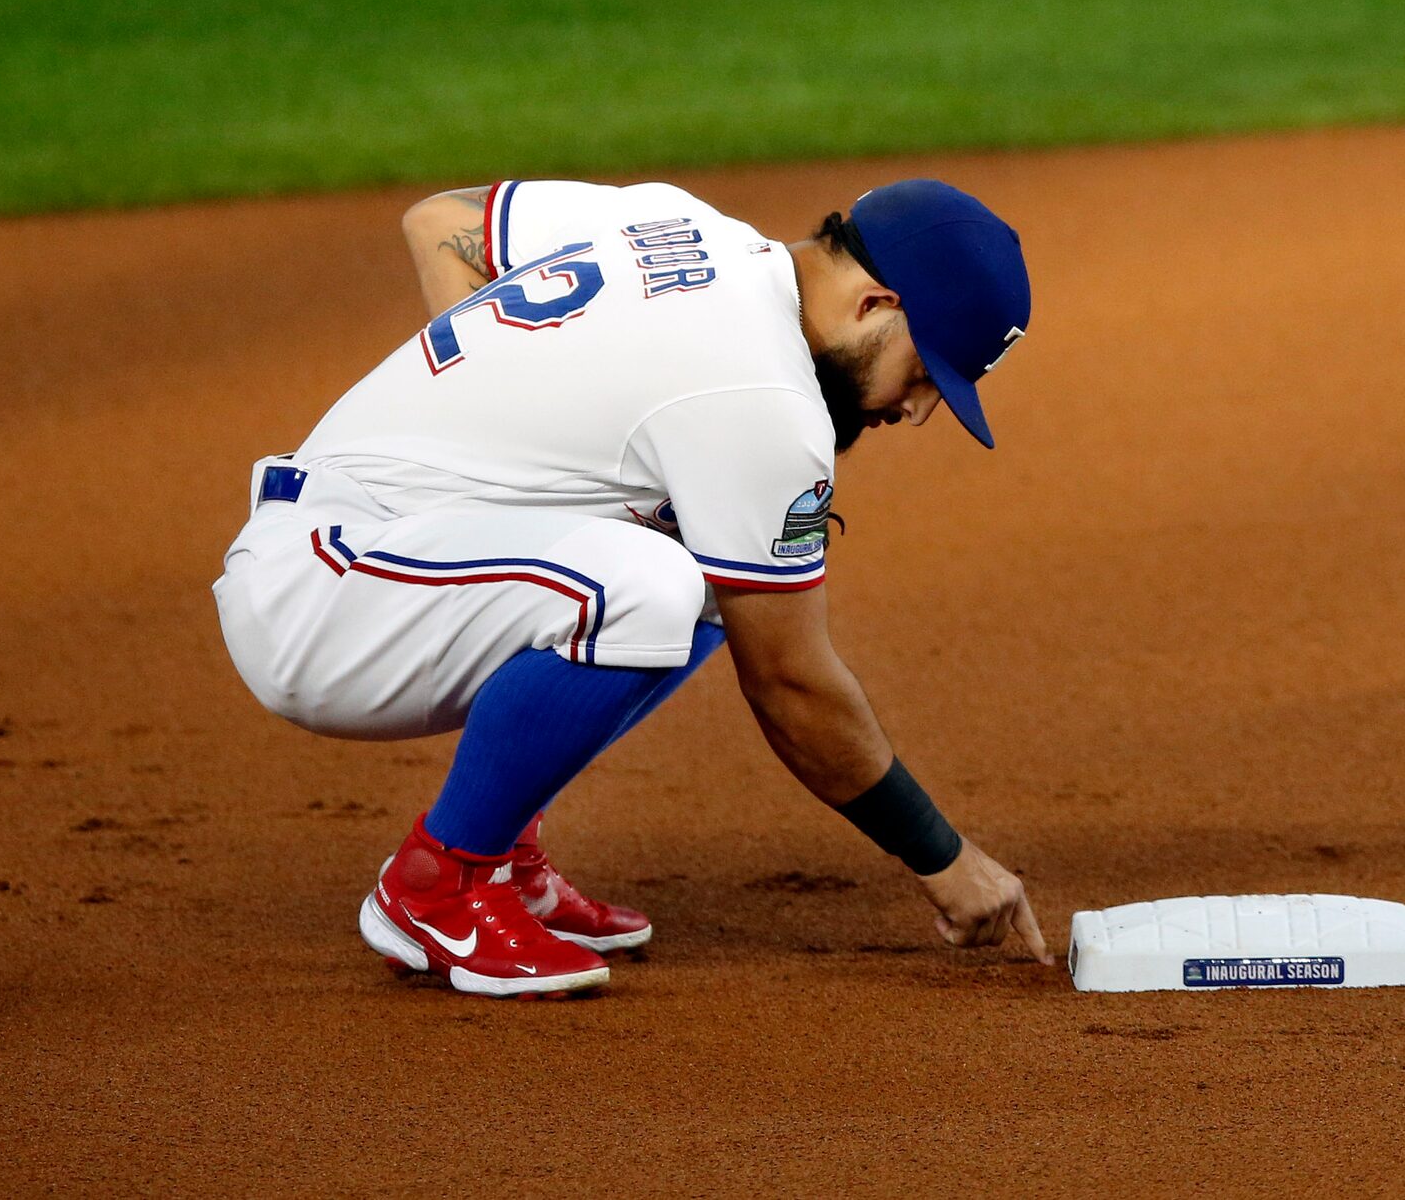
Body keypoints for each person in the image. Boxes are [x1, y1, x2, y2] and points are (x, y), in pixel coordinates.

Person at [213, 176, 1048, 998]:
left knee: (710, 564)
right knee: (646, 581)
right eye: (925, 371)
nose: (917, 410)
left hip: (386, 549)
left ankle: (501, 850)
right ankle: (442, 883)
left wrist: (500, 430)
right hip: (327, 591)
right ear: (876, 305)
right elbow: (792, 682)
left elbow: (448, 220)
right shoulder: (761, 398)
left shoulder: (678, 221)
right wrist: (944, 858)